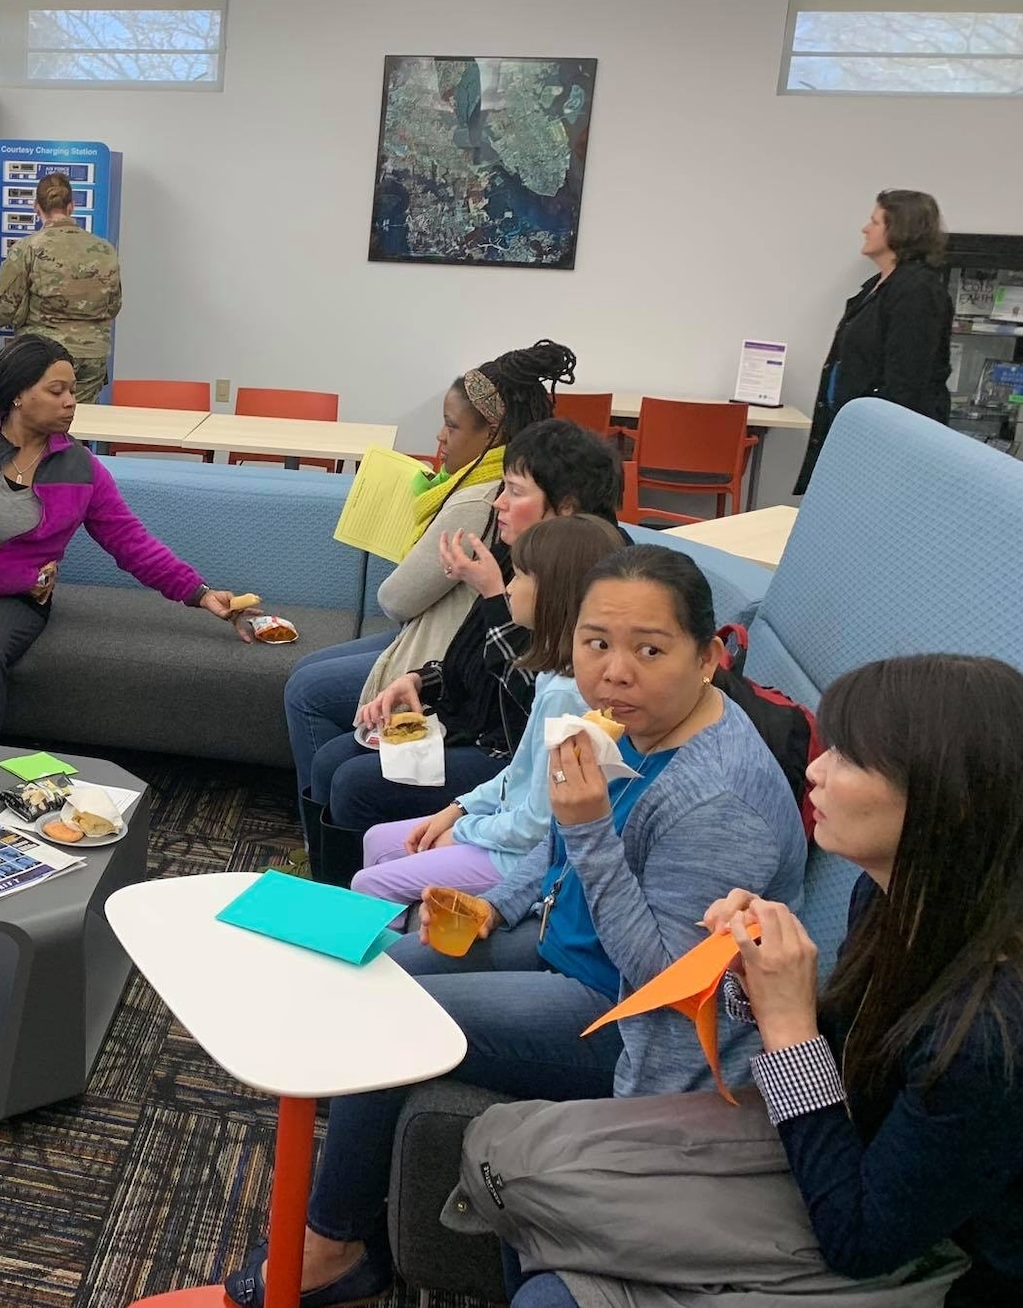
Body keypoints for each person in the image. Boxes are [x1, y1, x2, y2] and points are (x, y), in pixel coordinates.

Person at [223, 544, 807, 1307]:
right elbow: (555, 842)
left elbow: (665, 985)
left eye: (650, 649)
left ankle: (334, 1246)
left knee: (386, 1015)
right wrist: (495, 904)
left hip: (625, 1017)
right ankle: (349, 1205)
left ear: (706, 659)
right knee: (386, 963)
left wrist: (591, 831)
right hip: (571, 944)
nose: (615, 670)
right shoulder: (636, 722)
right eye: (596, 644)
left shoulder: (715, 799)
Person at [513, 653, 1023, 1308]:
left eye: (850, 757)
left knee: (554, 1287)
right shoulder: (893, 900)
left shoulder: (994, 1033)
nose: (816, 769)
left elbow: (860, 1240)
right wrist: (753, 977)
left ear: (947, 798)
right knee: (542, 1198)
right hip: (856, 1168)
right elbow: (862, 1062)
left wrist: (790, 1027)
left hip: (952, 1266)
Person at [0, 334, 245, 744]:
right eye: (57, 390)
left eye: (72, 390)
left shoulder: (81, 469)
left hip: (12, 594)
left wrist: (198, 592)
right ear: (17, 395)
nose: (71, 400)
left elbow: (131, 542)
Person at [299, 416, 620, 885]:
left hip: (498, 752)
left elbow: (530, 703)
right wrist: (421, 680)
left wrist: (492, 595)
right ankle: (327, 889)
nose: (499, 502)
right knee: (330, 757)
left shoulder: (584, 579)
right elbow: (469, 659)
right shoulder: (521, 554)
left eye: (514, 491)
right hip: (477, 735)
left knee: (352, 782)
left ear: (565, 508)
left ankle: (354, 900)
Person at [281, 343, 576, 810]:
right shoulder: (485, 490)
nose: (441, 436)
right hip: (449, 648)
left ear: (492, 434)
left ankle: (327, 822)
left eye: (453, 426)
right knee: (304, 674)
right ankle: (329, 821)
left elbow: (398, 599)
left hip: (453, 658)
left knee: (308, 692)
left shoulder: (478, 500)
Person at [351, 513, 626, 908]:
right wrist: (458, 808)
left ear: (553, 593)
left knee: (370, 884)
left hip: (521, 858)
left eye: (519, 578)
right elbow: (519, 772)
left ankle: (401, 966)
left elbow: (538, 824)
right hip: (506, 831)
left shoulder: (566, 695)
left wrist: (465, 830)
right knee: (377, 839)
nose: (508, 589)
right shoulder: (551, 672)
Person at [794, 190, 954, 495]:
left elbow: (906, 382)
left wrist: (876, 441)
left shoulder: (917, 290)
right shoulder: (877, 286)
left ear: (900, 227)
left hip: (882, 446)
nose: (865, 228)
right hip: (853, 433)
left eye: (874, 221)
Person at [0, 172, 122, 406]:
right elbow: (114, 305)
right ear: (72, 206)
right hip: (92, 356)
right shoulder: (105, 249)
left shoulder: (28, 249)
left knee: (40, 424)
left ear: (36, 207)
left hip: (42, 356)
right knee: (79, 423)